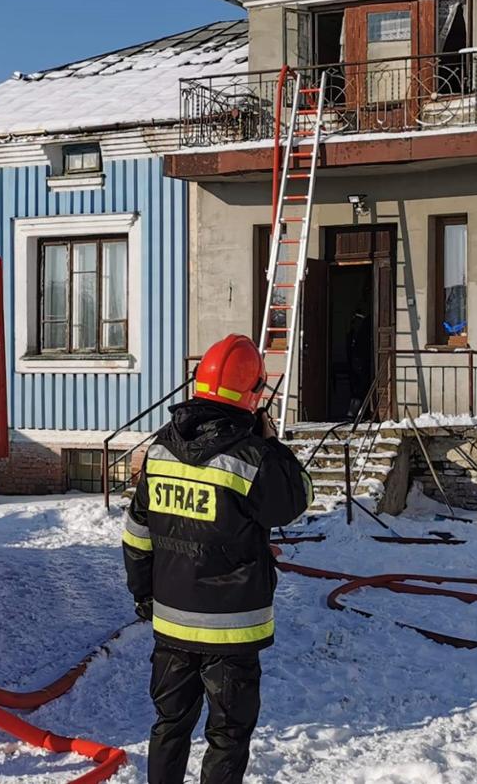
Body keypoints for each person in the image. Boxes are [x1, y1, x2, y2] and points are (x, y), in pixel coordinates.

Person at [123, 334, 311, 784]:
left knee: (170, 726)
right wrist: (274, 444)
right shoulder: (254, 458)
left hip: (170, 624)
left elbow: (137, 532)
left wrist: (143, 593)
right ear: (254, 394)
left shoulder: (161, 449)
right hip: (232, 627)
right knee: (227, 734)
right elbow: (298, 497)